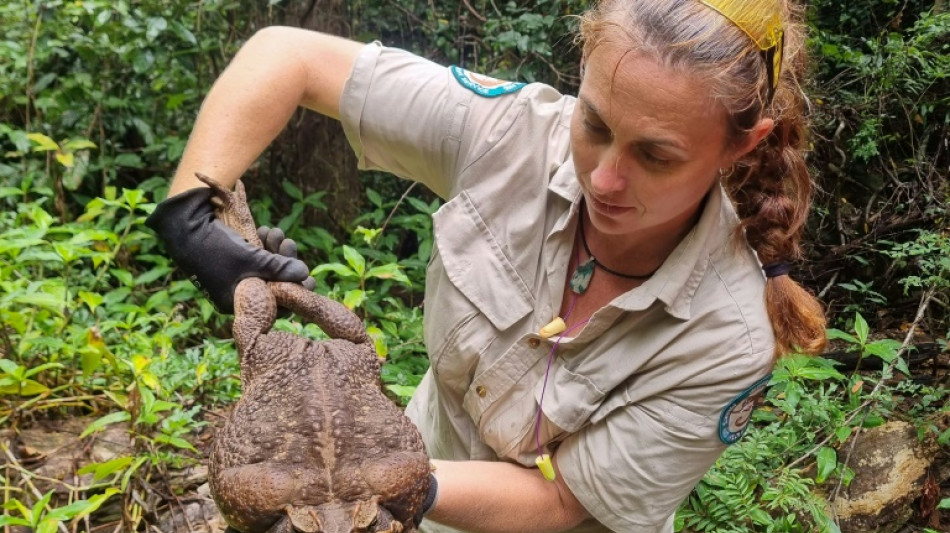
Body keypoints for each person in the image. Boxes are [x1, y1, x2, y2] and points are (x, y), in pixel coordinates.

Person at [146, 0, 828, 530]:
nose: (606, 178)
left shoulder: (729, 334)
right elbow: (288, 56)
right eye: (593, 124)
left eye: (656, 156)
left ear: (740, 147)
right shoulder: (511, 135)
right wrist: (192, 213)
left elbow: (563, 501)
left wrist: (388, 483)